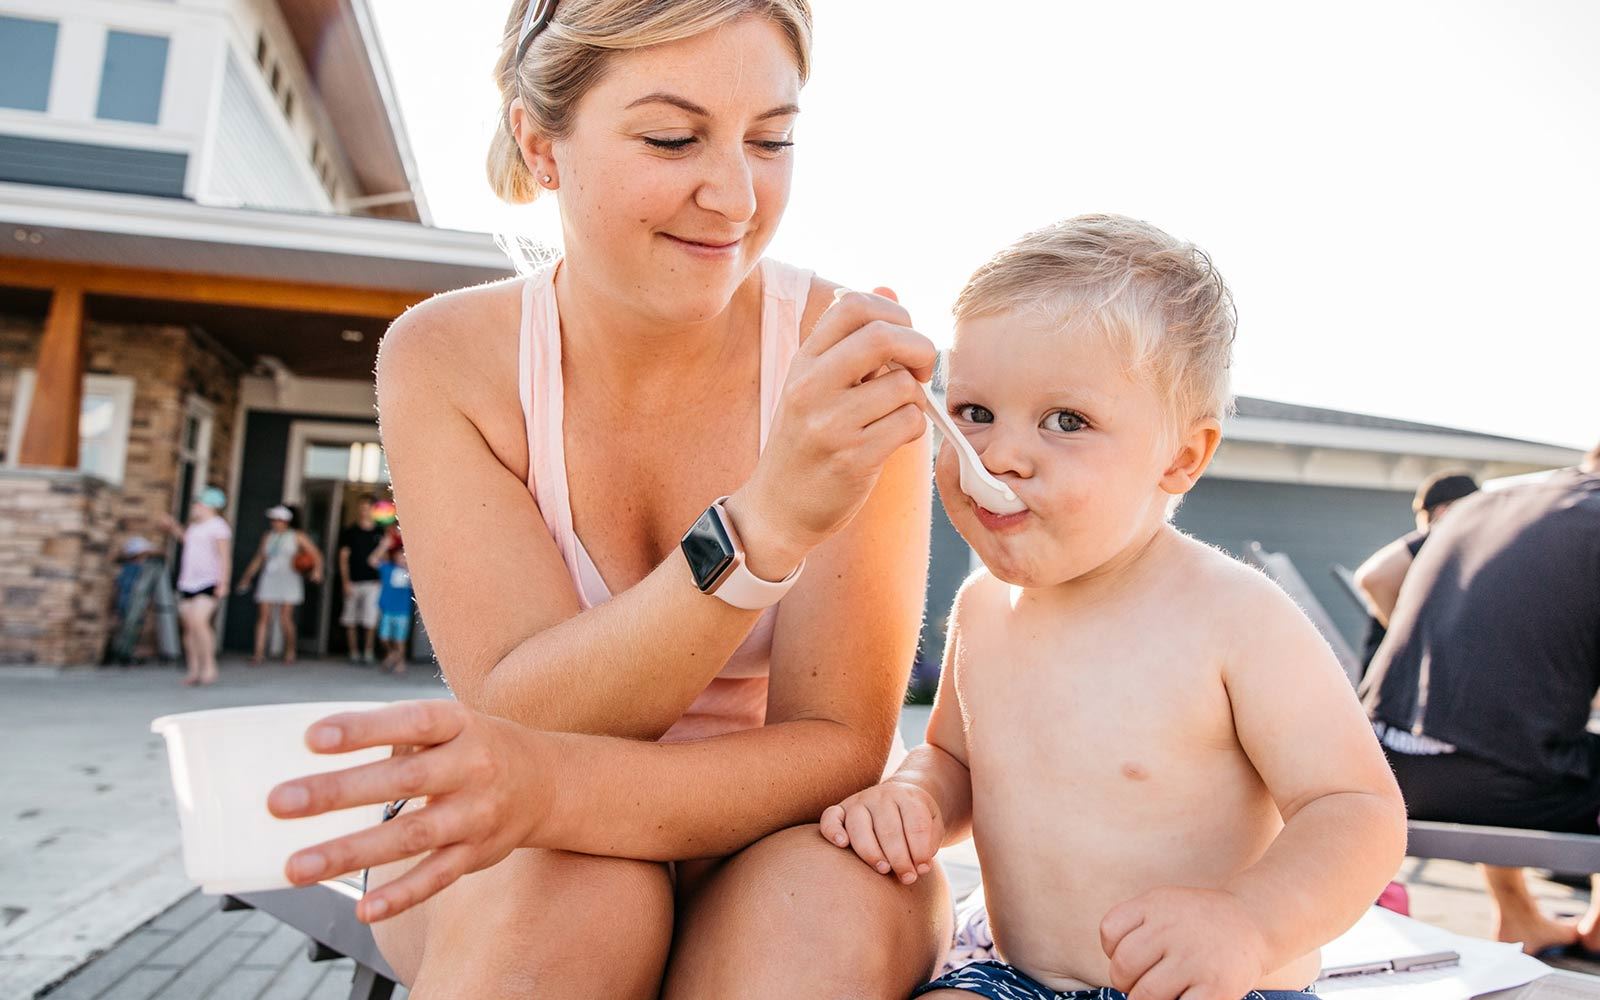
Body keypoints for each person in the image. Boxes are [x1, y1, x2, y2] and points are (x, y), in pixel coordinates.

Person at [264, 2, 948, 996]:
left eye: (770, 140)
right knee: (576, 899)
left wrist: (558, 788)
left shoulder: (842, 360)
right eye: (671, 138)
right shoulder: (448, 360)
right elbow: (521, 708)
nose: (734, 197)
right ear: (540, 143)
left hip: (768, 824)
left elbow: (838, 748)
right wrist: (762, 529)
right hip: (524, 829)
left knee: (819, 914)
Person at [823, 216, 1407, 1000]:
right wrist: (916, 796)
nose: (1001, 455)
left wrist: (1250, 923)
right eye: (974, 413)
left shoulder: (1235, 618)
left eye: (1066, 421)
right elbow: (957, 762)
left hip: (1217, 986)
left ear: (1181, 457)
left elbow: (1356, 808)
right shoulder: (983, 609)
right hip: (1020, 978)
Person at [1363, 439, 1600, 956]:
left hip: (1379, 762)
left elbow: (1380, 575)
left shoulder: (1491, 500)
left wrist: (1445, 660)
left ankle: (1519, 916)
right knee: (1523, 739)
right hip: (1492, 784)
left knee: (1505, 726)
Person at [1352, 471, 1478, 669]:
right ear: (1444, 513)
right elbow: (1373, 578)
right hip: (1401, 678)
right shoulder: (1442, 535)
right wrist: (1415, 642)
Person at [156, 486, 232, 687]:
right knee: (189, 627)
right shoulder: (195, 527)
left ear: (209, 505)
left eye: (198, 503)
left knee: (200, 622)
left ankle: (209, 666)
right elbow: (186, 540)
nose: (195, 506)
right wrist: (173, 527)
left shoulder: (219, 526)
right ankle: (194, 669)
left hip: (208, 581)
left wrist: (223, 582)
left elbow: (224, 557)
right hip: (188, 581)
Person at [237, 505, 324, 666]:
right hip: (269, 578)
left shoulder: (297, 536)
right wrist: (247, 577)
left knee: (285, 617)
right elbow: (259, 558)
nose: (275, 523)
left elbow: (316, 554)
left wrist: (317, 571)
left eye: (278, 520)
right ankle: (258, 653)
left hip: (289, 578)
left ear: (286, 521)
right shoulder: (268, 536)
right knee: (264, 617)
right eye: (273, 520)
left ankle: (290, 651)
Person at [338, 497, 386, 664]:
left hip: (373, 582)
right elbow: (343, 558)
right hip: (353, 581)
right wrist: (345, 581)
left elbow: (386, 558)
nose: (363, 511)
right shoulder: (350, 532)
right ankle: (353, 653)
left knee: (370, 619)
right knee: (350, 618)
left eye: (366, 508)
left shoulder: (380, 532)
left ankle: (368, 652)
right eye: (361, 508)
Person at [369, 534, 413, 675]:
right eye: (399, 556)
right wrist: (383, 546)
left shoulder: (411, 574)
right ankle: (393, 654)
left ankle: (400, 662)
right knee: (384, 637)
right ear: (394, 557)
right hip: (387, 608)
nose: (402, 559)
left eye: (404, 557)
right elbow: (372, 560)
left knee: (400, 639)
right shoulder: (388, 568)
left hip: (403, 610)